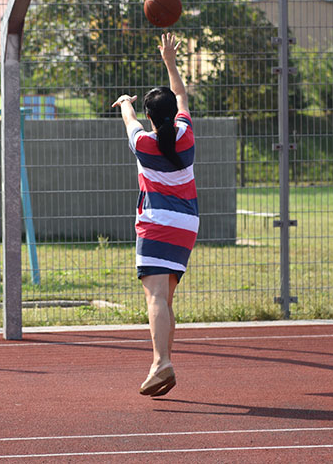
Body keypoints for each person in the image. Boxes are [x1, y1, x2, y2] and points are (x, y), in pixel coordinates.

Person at [112, 32, 197, 398]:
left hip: (156, 222)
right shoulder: (185, 135)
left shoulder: (144, 143)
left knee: (155, 298)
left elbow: (129, 117)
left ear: (149, 116)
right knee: (165, 297)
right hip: (187, 225)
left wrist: (125, 102)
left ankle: (162, 361)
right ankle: (159, 363)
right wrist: (170, 61)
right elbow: (181, 95)